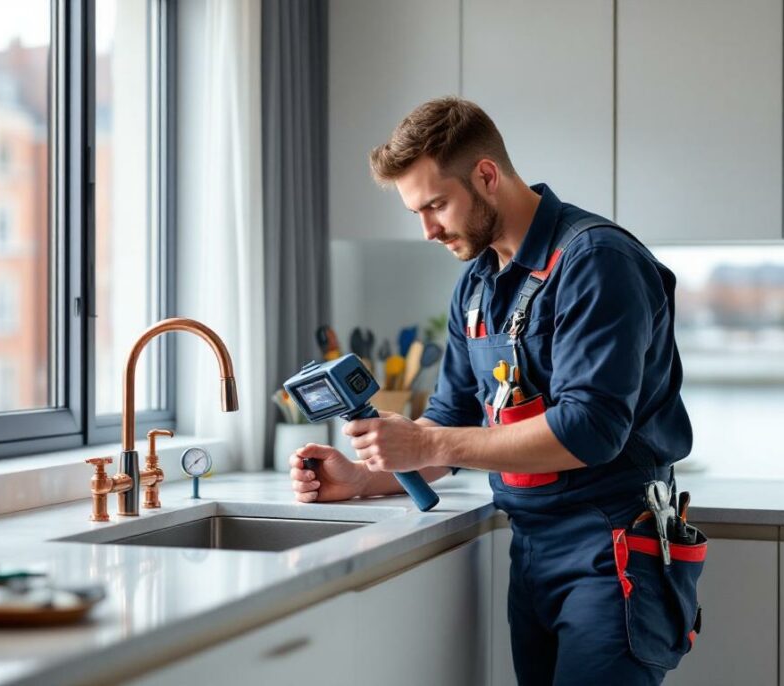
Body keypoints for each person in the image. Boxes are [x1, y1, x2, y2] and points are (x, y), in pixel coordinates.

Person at [289, 97, 700, 685]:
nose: (429, 229)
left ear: (486, 175)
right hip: (530, 550)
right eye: (416, 212)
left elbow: (591, 429)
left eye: (436, 204)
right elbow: (447, 422)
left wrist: (428, 446)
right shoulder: (476, 286)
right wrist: (365, 478)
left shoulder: (595, 261)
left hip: (613, 552)